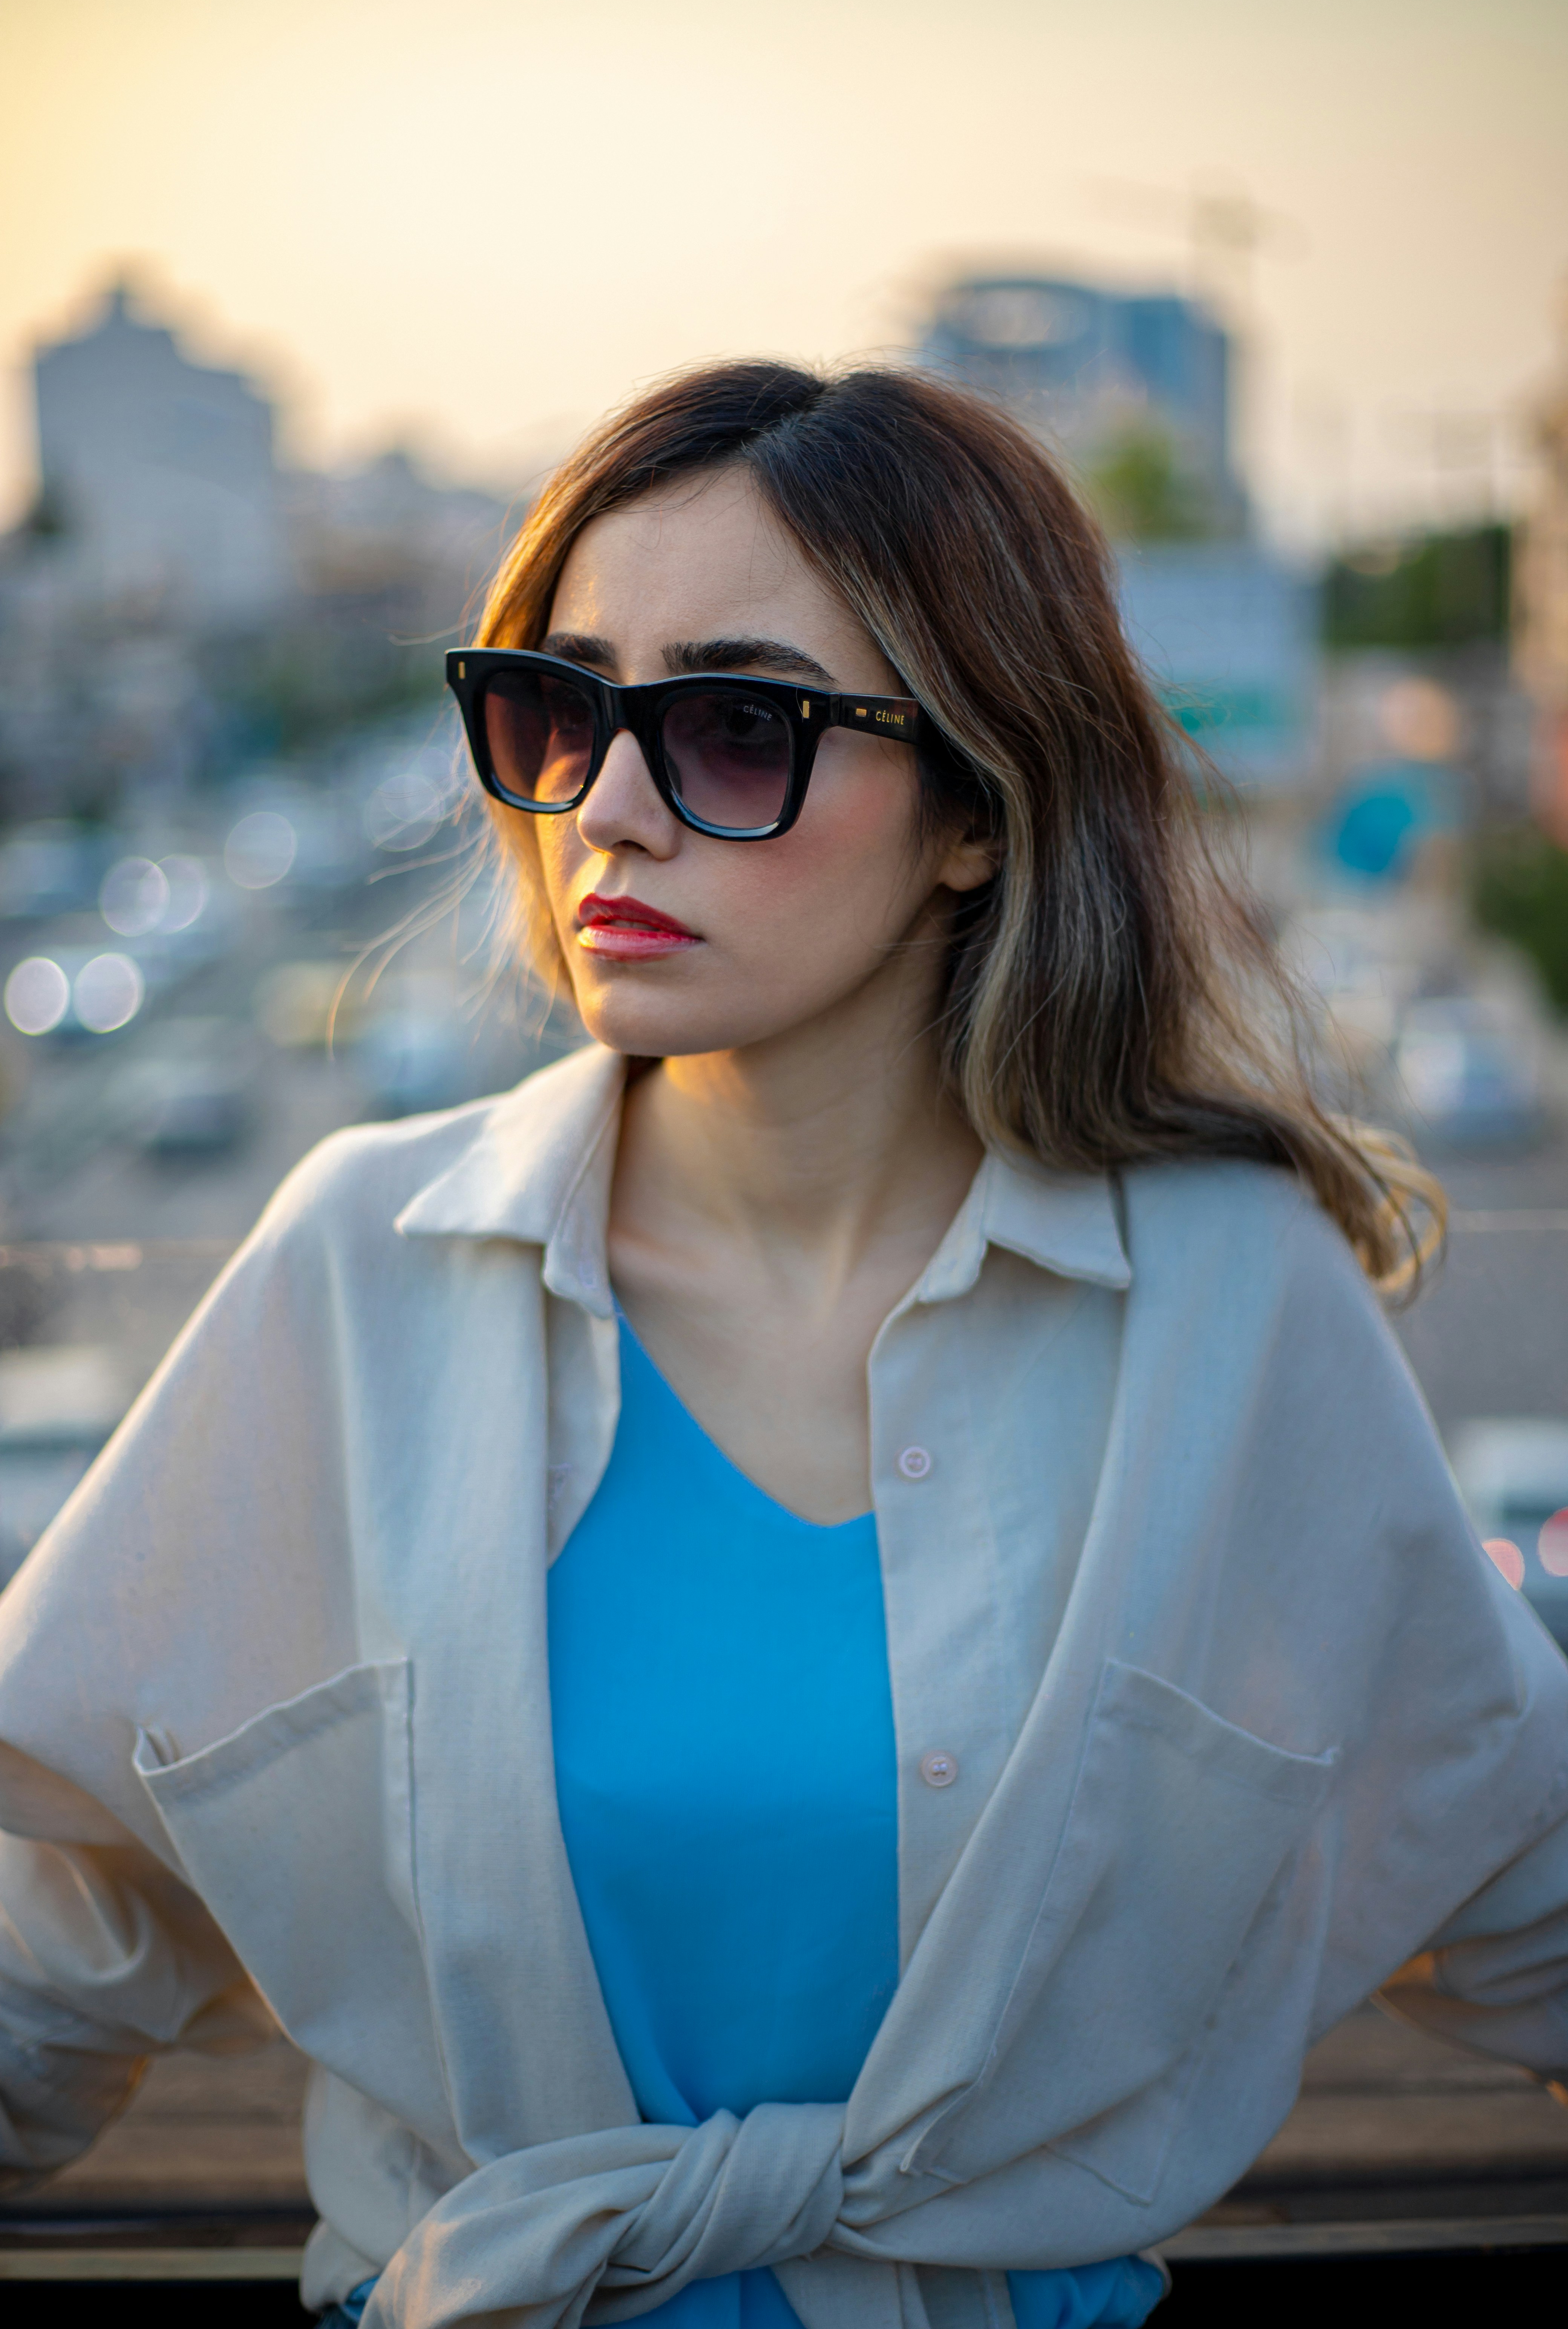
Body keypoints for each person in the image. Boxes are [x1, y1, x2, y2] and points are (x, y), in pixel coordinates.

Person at [1, 363, 1566, 2329]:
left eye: (740, 728)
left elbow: (1511, 1867)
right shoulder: (358, 1267)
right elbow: (61, 1931)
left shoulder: (1234, 1301)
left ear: (977, 813)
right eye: (559, 710)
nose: (615, 811)